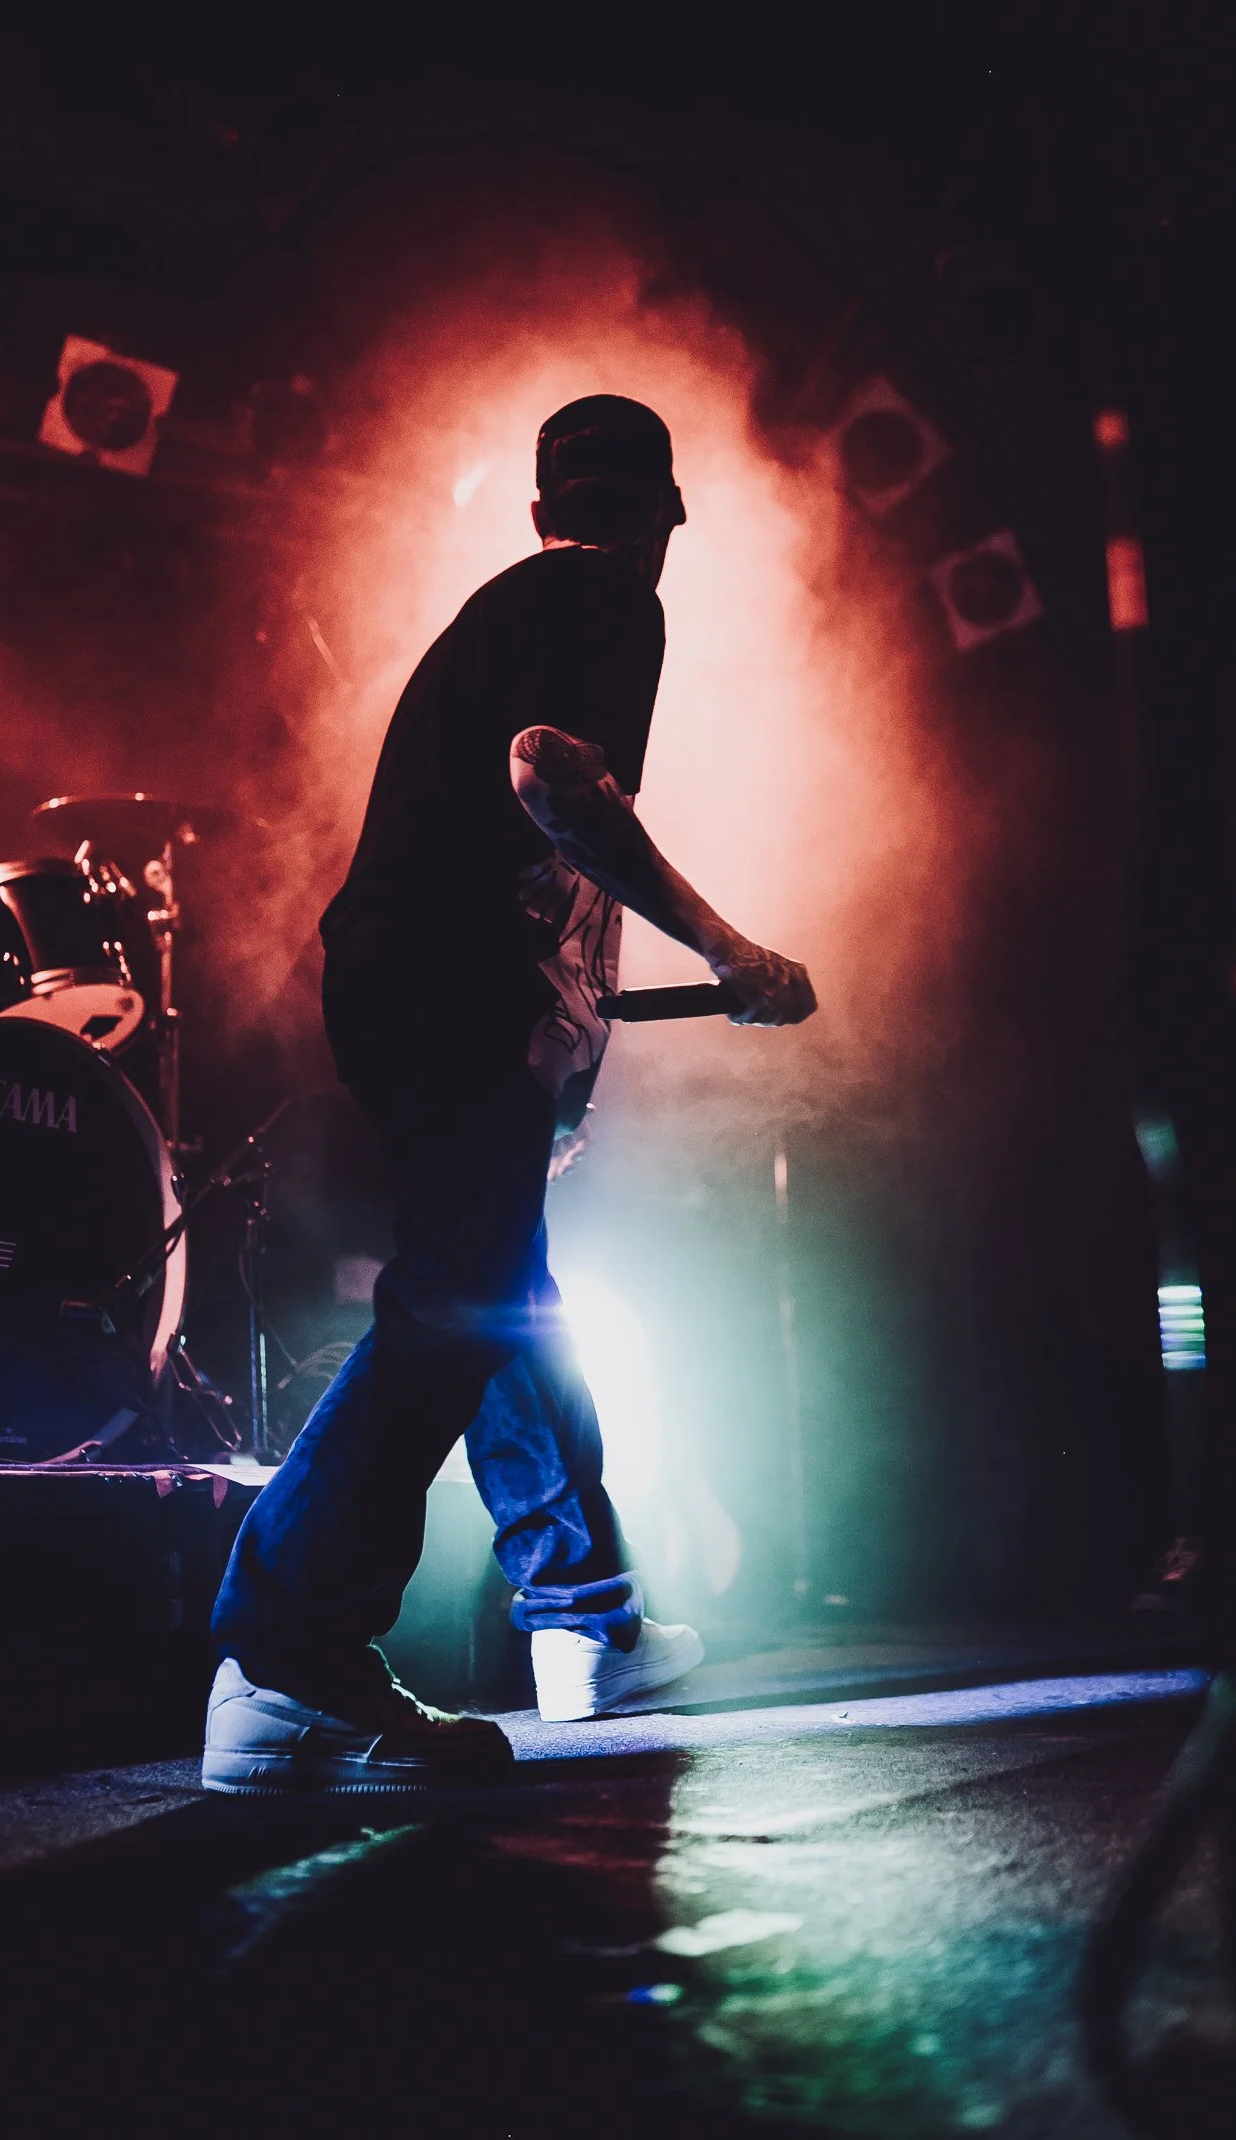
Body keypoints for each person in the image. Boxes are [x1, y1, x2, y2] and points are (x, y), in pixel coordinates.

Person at [203, 394, 817, 1794]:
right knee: (454, 1299)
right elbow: (553, 779)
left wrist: (565, 1047)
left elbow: (549, 859)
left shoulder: (515, 602)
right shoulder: (607, 596)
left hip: (416, 984)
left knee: (500, 1293)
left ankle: (583, 1617)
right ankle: (283, 1662)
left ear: (541, 511)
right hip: (446, 987)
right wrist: (726, 949)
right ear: (666, 515)